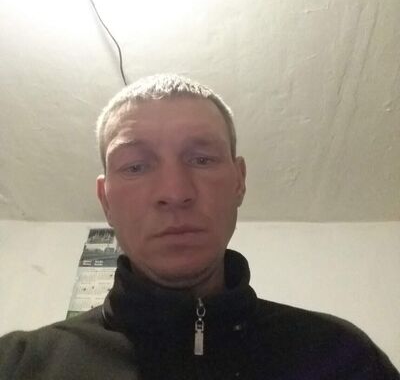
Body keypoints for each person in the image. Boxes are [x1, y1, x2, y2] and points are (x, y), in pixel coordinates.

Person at [0, 74, 398, 379]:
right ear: (106, 200)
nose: (175, 193)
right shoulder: (18, 365)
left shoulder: (341, 358)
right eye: (135, 166)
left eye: (202, 159)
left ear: (239, 181)